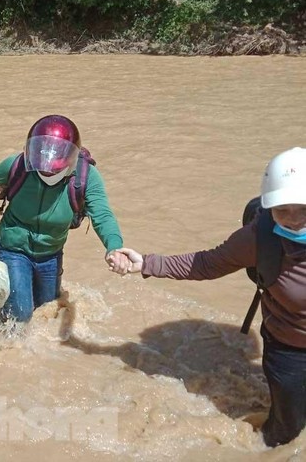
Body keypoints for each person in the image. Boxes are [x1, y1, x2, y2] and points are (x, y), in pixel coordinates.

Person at [118, 147, 306, 448]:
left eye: (303, 209)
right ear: (270, 208)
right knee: (288, 432)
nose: (294, 220)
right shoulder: (261, 237)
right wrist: (148, 264)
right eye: (283, 210)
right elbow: (206, 264)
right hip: (289, 350)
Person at [0, 114, 130, 324]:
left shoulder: (86, 177)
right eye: (41, 167)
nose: (46, 172)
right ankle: (6, 341)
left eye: (53, 169)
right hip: (14, 248)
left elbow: (102, 215)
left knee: (48, 311)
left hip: (50, 253)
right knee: (21, 314)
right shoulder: (19, 165)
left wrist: (114, 247)